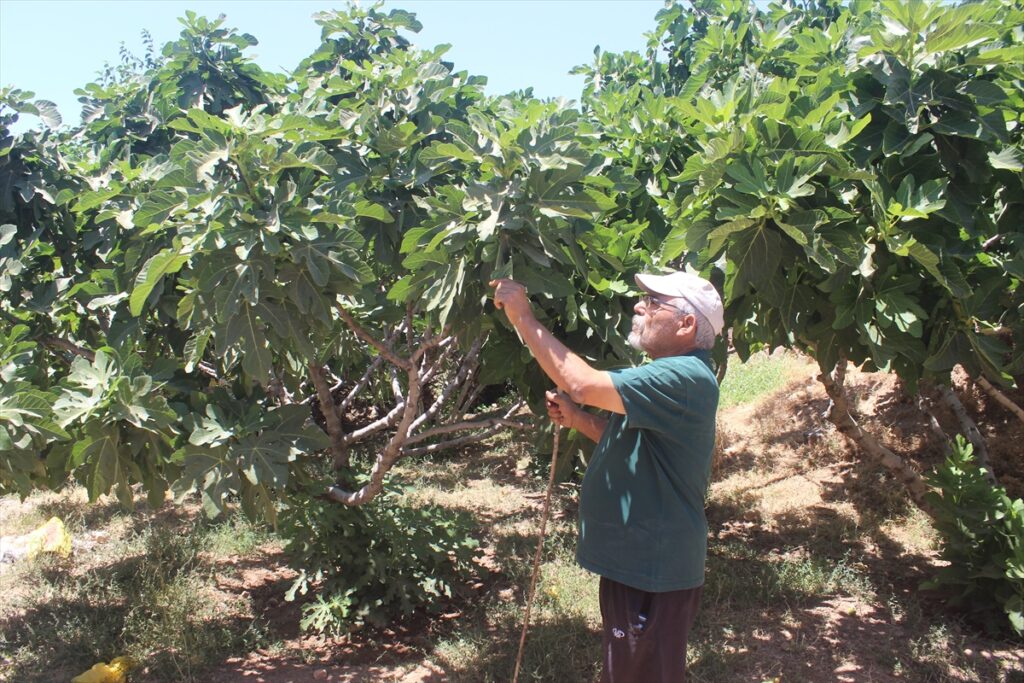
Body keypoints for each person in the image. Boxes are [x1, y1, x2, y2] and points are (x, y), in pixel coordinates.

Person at [490, 270, 724, 683]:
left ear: (687, 324)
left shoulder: (683, 377)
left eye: (654, 303)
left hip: (652, 567)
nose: (639, 306)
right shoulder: (670, 373)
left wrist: (523, 317)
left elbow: (580, 384)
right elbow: (637, 446)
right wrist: (578, 419)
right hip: (637, 563)